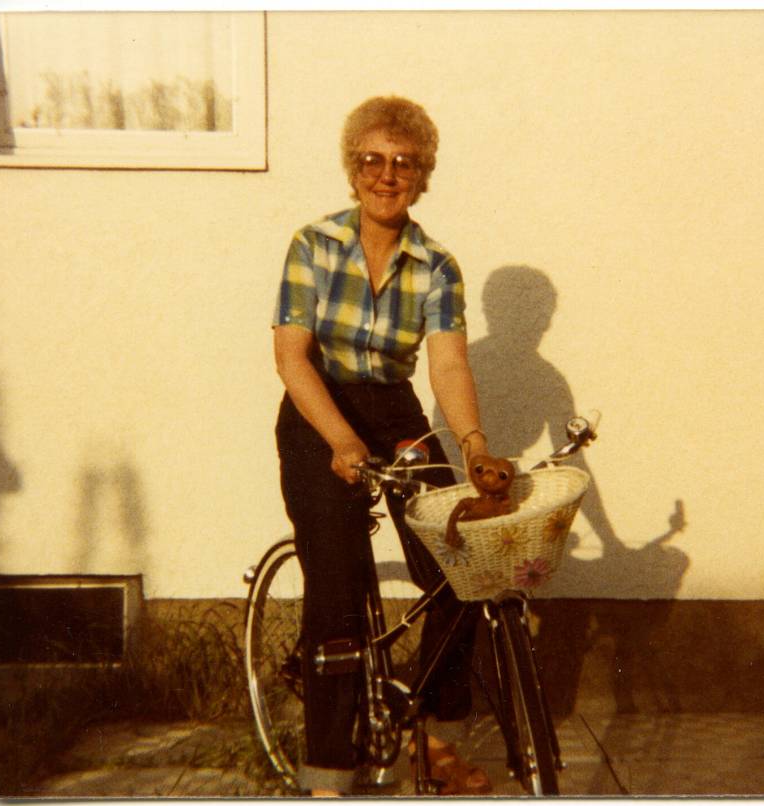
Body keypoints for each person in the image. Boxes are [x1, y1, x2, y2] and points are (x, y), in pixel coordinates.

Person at [272, 96, 493, 796]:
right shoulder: (314, 245)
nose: (386, 174)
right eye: (371, 160)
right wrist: (340, 440)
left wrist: (473, 444)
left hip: (394, 410)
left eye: (404, 163)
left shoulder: (438, 265)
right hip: (318, 409)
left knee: (461, 564)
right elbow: (292, 357)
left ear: (423, 177)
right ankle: (329, 770)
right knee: (336, 588)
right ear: (352, 169)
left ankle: (433, 740)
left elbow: (448, 365)